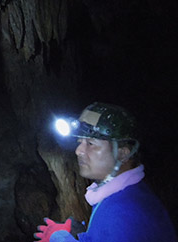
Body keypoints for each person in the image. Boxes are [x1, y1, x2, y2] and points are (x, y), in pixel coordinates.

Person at [35, 102, 177, 242]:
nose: (78, 151)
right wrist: (80, 234)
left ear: (122, 154)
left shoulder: (122, 214)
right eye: (80, 142)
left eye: (91, 144)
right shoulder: (126, 194)